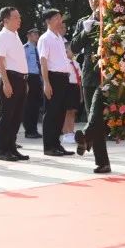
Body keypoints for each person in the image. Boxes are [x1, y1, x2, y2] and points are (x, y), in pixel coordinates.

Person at [74, 0, 111, 174]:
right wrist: (85, 31)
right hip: (90, 75)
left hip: (109, 75)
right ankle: (102, 162)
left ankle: (86, 137)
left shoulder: (113, 17)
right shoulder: (83, 22)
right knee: (93, 117)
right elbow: (73, 48)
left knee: (98, 119)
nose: (95, 2)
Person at [0, 7, 30, 162]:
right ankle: (3, 150)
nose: (19, 20)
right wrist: (6, 83)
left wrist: (25, 80)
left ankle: (12, 147)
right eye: (16, 17)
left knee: (17, 116)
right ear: (6, 20)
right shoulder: (1, 36)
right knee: (7, 116)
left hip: (20, 79)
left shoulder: (15, 35)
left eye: (19, 17)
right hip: (9, 78)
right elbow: (0, 60)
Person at [37, 9, 74, 156]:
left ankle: (57, 144)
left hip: (64, 78)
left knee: (60, 113)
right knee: (51, 113)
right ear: (48, 21)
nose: (60, 21)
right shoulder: (45, 38)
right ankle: (49, 147)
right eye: (57, 18)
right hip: (52, 78)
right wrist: (46, 82)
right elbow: (43, 61)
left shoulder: (60, 38)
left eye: (60, 18)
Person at [22, 28, 43, 139]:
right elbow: (23, 64)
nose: (36, 35)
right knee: (28, 105)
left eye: (37, 33)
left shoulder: (38, 48)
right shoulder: (25, 48)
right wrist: (25, 81)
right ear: (28, 35)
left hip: (37, 77)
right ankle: (28, 130)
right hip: (29, 77)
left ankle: (34, 129)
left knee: (36, 105)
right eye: (34, 34)